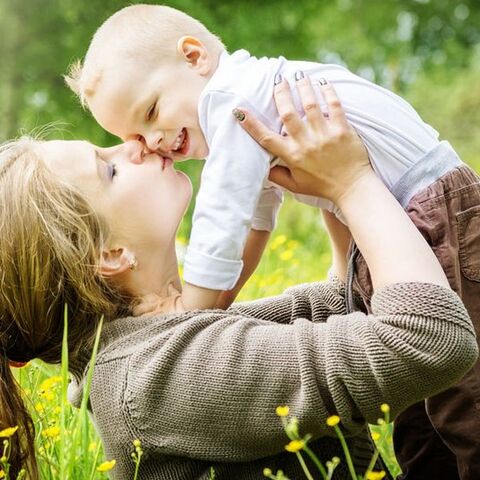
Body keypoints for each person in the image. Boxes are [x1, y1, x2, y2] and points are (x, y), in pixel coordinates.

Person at [65, 6, 480, 478]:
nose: (152, 141)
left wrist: (196, 310)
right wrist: (209, 312)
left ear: (194, 56)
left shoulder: (233, 101)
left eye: (152, 112)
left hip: (438, 210)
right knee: (420, 414)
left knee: (467, 406)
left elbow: (223, 218)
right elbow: (255, 225)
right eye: (135, 134)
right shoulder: (256, 108)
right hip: (408, 219)